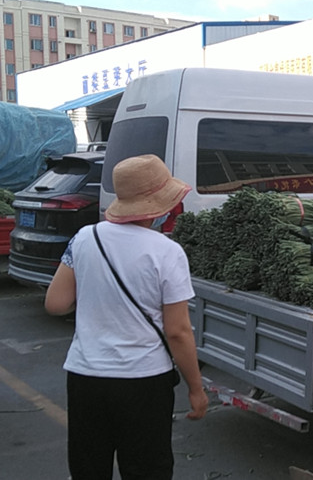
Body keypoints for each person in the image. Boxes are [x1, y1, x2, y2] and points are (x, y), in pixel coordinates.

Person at [45, 154, 209, 479]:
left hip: (85, 378)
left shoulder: (84, 238)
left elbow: (56, 303)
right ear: (160, 205)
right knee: (147, 469)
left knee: (89, 468)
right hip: (143, 382)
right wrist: (196, 388)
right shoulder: (167, 251)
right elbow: (178, 332)